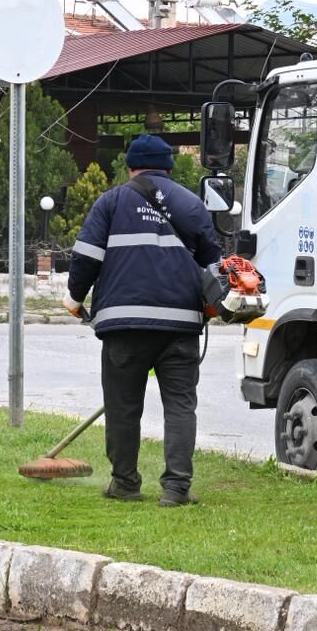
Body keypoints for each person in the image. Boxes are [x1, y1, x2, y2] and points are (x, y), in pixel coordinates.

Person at [66, 134, 221, 506]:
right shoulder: (192, 205)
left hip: (124, 324)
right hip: (180, 324)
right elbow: (214, 265)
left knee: (122, 405)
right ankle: (176, 488)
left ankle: (125, 483)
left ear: (131, 166)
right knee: (180, 405)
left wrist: (74, 297)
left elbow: (86, 256)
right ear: (169, 166)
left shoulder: (112, 201)